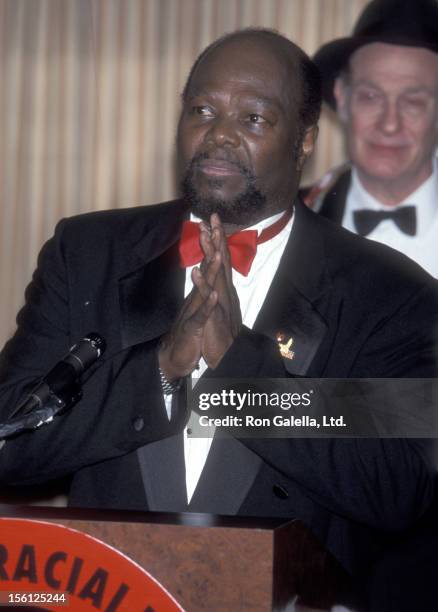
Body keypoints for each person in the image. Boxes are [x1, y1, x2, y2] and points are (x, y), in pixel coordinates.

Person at [0, 28, 437, 606]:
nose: (220, 135)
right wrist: (158, 369)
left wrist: (242, 375)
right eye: (202, 110)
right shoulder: (88, 253)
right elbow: (10, 442)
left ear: (305, 141)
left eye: (255, 118)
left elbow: (397, 489)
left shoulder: (387, 292)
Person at [308, 0, 438, 277]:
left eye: (412, 102)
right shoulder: (288, 220)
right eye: (370, 97)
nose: (389, 125)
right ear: (343, 98)